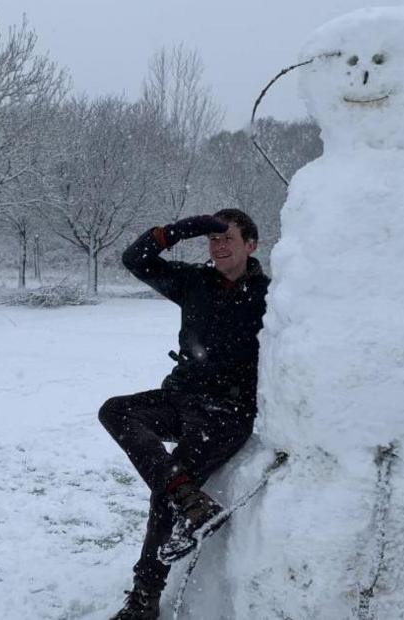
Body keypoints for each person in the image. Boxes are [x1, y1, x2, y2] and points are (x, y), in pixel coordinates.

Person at [99, 209, 270, 619]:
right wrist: (181, 230)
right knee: (116, 411)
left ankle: (144, 599)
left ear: (251, 245)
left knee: (168, 484)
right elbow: (134, 259)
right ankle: (188, 499)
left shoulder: (273, 295)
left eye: (228, 238)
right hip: (182, 396)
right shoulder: (195, 282)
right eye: (212, 240)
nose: (219, 246)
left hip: (227, 412)